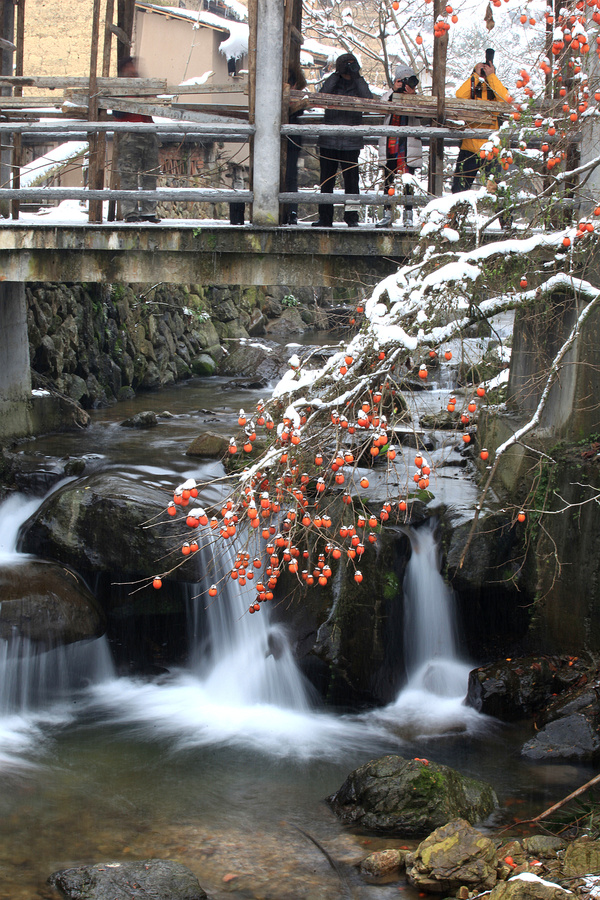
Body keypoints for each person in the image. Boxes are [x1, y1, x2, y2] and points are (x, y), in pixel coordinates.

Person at [312, 53, 372, 228]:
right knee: (326, 181)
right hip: (329, 138)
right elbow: (321, 97)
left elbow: (368, 99)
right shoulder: (333, 81)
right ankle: (325, 217)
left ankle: (352, 217)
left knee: (352, 181)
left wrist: (357, 76)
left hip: (351, 140)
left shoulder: (358, 83)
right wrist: (337, 75)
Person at [451, 51, 510, 194]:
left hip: (491, 148)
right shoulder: (471, 90)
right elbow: (459, 95)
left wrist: (491, 76)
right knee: (459, 191)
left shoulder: (496, 90)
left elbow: (505, 99)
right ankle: (456, 216)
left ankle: (504, 217)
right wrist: (475, 76)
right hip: (469, 148)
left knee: (496, 191)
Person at [114, 57, 161, 223]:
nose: (133, 71)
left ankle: (149, 211)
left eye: (134, 68)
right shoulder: (118, 88)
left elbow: (155, 103)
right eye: (129, 68)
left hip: (148, 131)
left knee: (151, 172)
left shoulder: (143, 85)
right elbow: (117, 112)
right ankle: (130, 213)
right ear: (123, 71)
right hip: (129, 133)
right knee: (129, 173)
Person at [376, 64, 424, 229]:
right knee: (388, 179)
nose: (403, 84)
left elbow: (421, 113)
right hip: (391, 142)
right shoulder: (389, 94)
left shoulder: (416, 97)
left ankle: (408, 215)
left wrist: (411, 96)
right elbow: (381, 106)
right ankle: (387, 214)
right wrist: (394, 91)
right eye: (400, 81)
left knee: (408, 180)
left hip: (408, 144)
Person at [282, 63, 307, 226]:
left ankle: (292, 211)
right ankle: (281, 210)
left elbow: (297, 111)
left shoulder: (299, 97)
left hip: (291, 138)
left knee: (290, 176)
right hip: (274, 138)